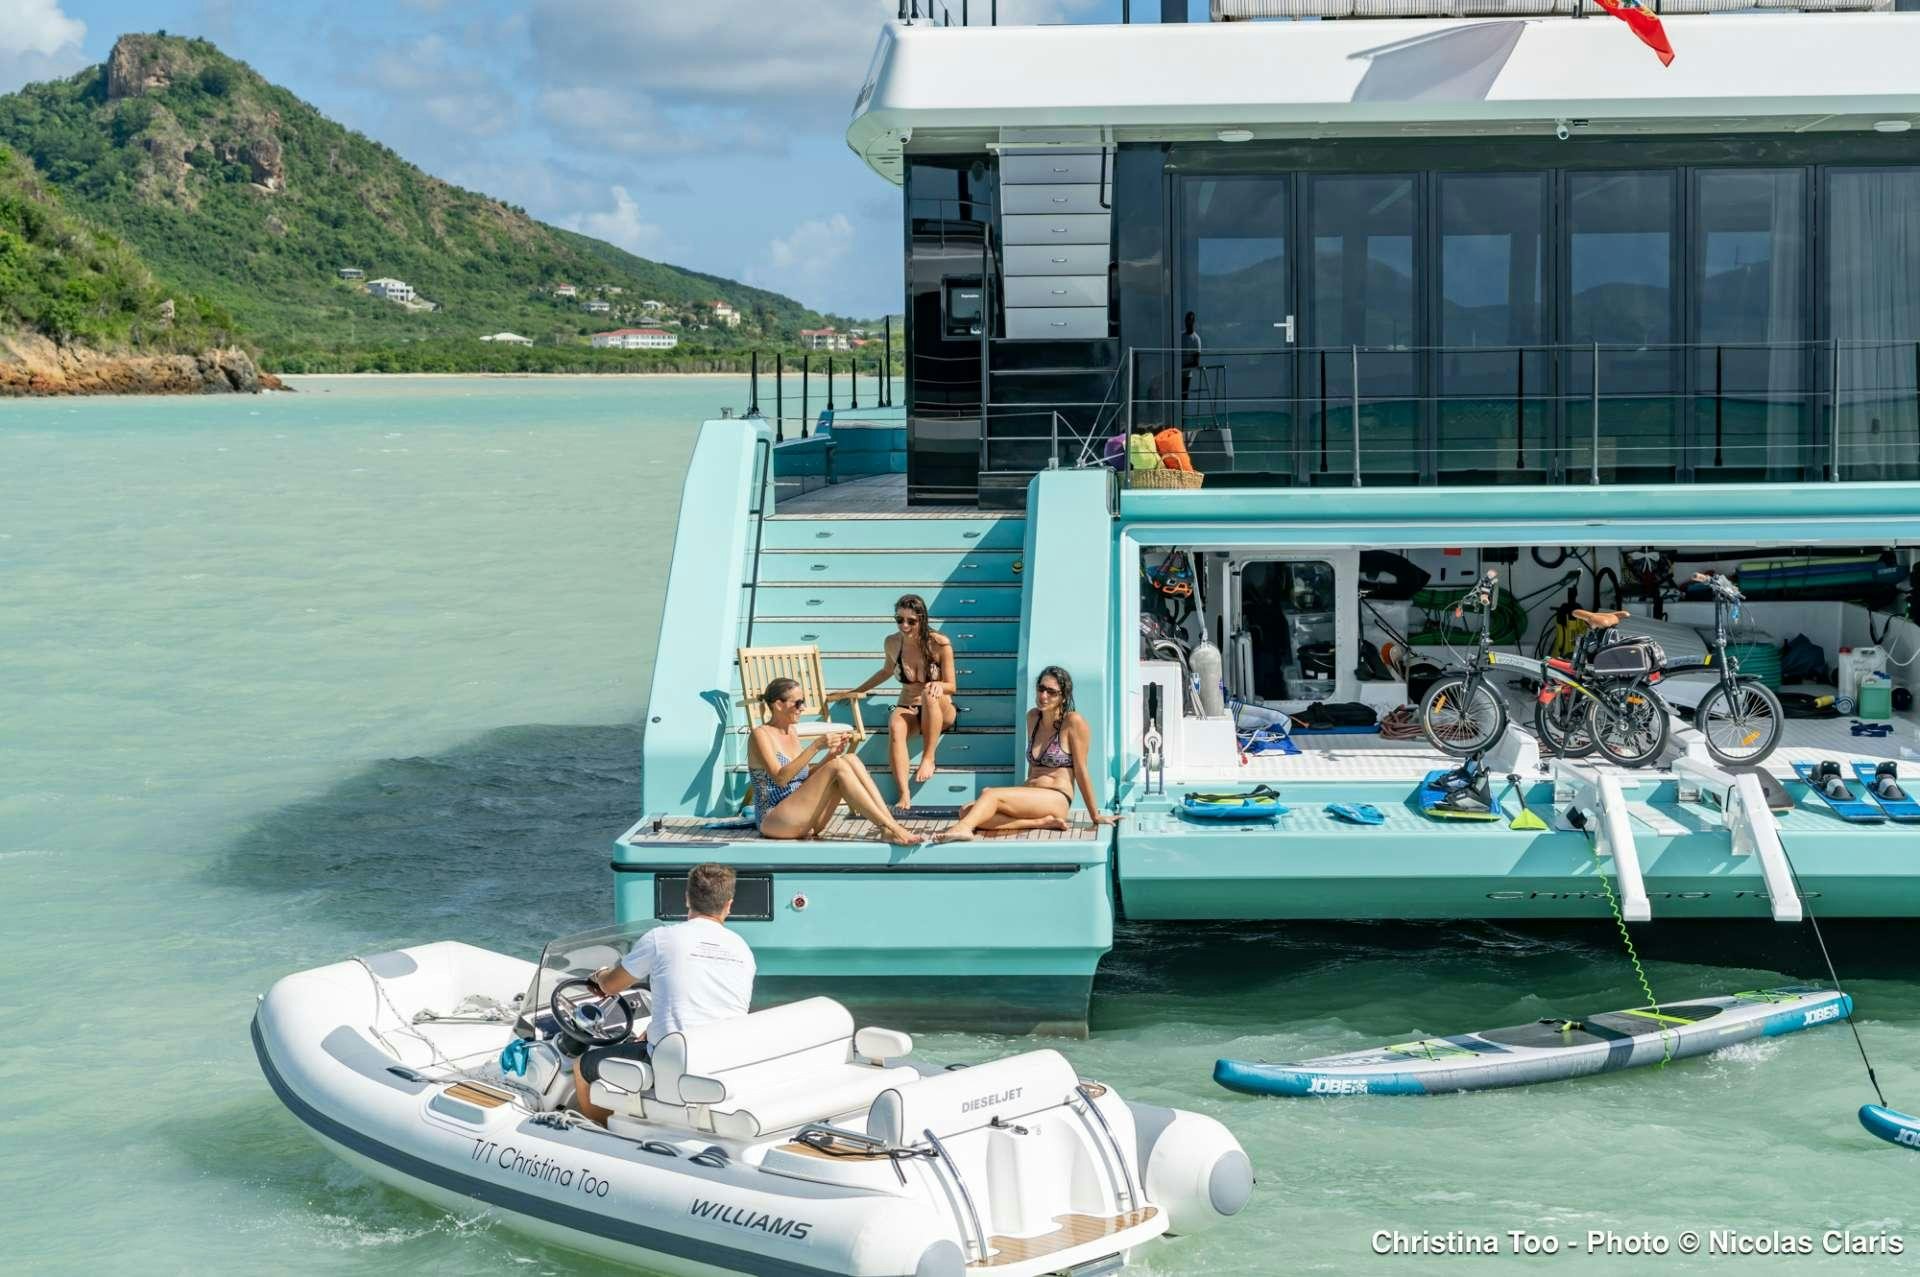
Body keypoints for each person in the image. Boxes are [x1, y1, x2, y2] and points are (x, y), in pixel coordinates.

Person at [572, 862, 755, 1126]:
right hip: (724, 1056)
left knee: (582, 1065)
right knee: (645, 1039)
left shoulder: (662, 938)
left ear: (687, 898)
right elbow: (712, 1004)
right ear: (729, 904)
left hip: (673, 1062)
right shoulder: (742, 950)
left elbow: (610, 986)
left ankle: (602, 1132)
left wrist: (599, 976)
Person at [938, 665, 1115, 841]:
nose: (1043, 696)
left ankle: (963, 828)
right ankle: (1040, 822)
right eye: (1041, 689)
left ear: (1063, 696)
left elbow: (1082, 771)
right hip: (1031, 794)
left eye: (1051, 692)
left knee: (989, 797)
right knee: (967, 810)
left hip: (1056, 797)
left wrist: (1095, 815)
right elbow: (1033, 767)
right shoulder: (1032, 718)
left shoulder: (1073, 722)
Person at [749, 677, 918, 845]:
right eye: (798, 703)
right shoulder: (761, 735)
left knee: (848, 758)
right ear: (779, 705)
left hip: (803, 816)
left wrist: (829, 756)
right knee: (837, 766)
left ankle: (889, 827)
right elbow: (780, 778)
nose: (803, 708)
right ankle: (889, 826)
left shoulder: (791, 731)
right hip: (774, 820)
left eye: (804, 702)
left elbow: (803, 778)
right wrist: (815, 746)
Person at [840, 593, 958, 810]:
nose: (904, 625)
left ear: (922, 619)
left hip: (941, 708)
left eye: (911, 621)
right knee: (895, 725)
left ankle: (928, 757)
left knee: (928, 693)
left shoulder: (940, 644)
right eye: (899, 620)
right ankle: (904, 794)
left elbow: (952, 685)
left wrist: (938, 685)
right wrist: (857, 691)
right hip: (909, 706)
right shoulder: (892, 643)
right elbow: (886, 671)